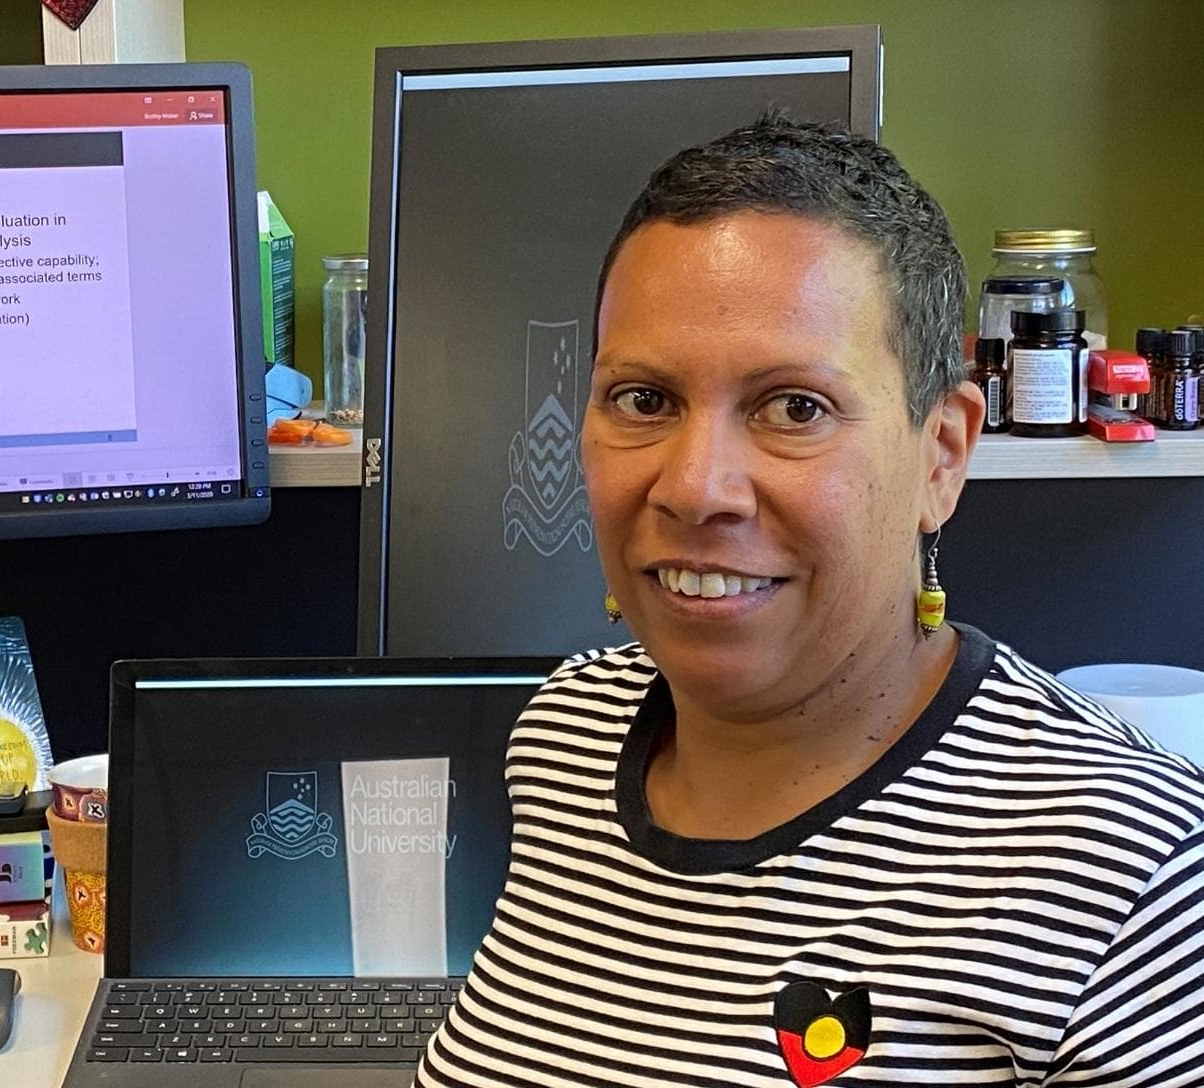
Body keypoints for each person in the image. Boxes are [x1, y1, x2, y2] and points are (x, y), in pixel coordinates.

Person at [416, 115, 1204, 1087]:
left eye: (795, 406)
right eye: (643, 399)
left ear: (942, 453)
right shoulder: (563, 734)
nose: (695, 486)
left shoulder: (1136, 875)